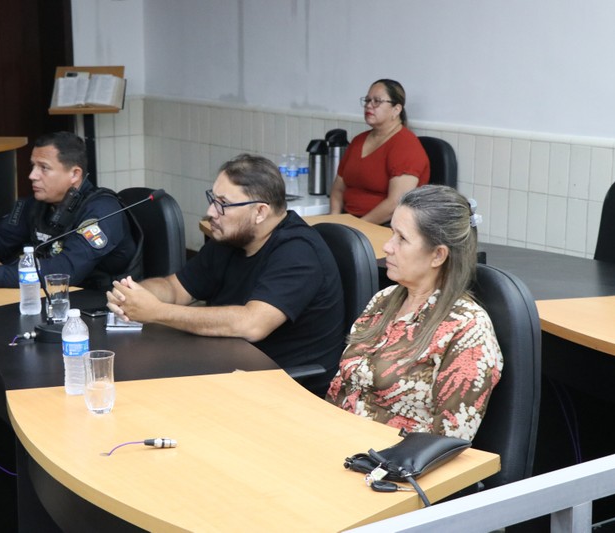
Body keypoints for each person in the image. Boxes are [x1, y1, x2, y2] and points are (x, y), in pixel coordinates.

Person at [106, 153, 346, 394]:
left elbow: (252, 324)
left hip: (282, 387)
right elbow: (176, 288)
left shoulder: (298, 251)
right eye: (212, 198)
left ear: (260, 212)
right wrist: (134, 295)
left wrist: (156, 311)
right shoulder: (231, 238)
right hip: (229, 367)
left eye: (223, 203)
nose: (211, 211)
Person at [326, 185, 503, 440]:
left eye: (402, 239)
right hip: (338, 440)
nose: (387, 247)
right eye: (391, 234)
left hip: (390, 466)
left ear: (437, 255)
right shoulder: (384, 300)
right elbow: (339, 389)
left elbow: (445, 442)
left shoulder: (468, 329)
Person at [0, 131, 141, 289]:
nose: (32, 175)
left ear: (74, 174)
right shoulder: (38, 203)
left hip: (98, 306)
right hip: (52, 299)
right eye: (33, 166)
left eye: (44, 168)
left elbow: (67, 269)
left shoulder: (102, 211)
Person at [329, 79, 430, 224]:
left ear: (396, 109)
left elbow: (395, 203)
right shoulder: (358, 141)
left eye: (377, 101)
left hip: (384, 227)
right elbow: (338, 189)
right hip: (349, 223)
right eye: (367, 100)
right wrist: (333, 220)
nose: (369, 105)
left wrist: (356, 229)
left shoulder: (406, 146)